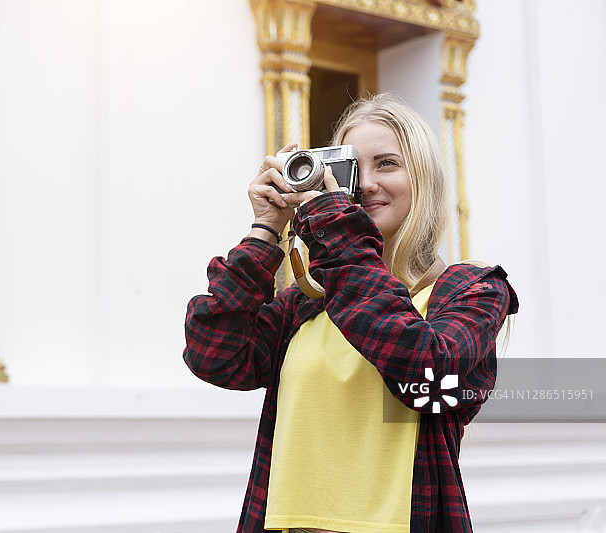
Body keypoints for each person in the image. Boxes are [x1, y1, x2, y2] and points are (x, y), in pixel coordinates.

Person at [183, 93, 518, 533]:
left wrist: (336, 227)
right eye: (353, 169)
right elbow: (216, 355)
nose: (367, 185)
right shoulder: (308, 303)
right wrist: (266, 228)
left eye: (388, 164)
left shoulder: (472, 290)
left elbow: (425, 370)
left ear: (425, 179)